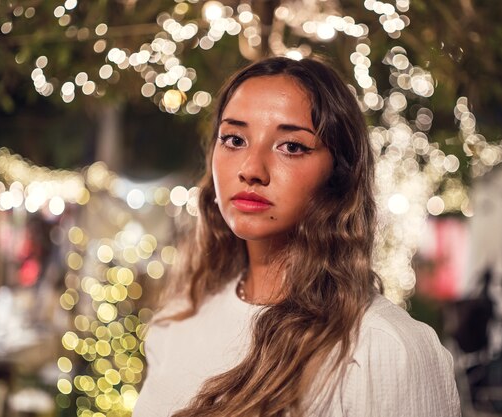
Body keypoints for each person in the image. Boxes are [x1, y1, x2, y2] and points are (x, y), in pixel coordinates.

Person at [133, 56, 461, 417]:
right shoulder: (178, 322)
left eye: (291, 146)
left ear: (339, 174)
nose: (251, 169)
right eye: (234, 139)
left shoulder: (381, 348)